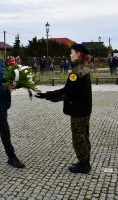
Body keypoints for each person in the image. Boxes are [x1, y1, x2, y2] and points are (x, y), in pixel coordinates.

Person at [35, 43, 92, 174]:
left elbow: (66, 92)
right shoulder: (83, 68)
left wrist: (47, 95)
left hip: (78, 111)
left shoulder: (76, 72)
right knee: (84, 136)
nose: (70, 54)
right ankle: (85, 161)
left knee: (79, 138)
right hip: (84, 109)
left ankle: (83, 165)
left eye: (72, 52)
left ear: (78, 54)